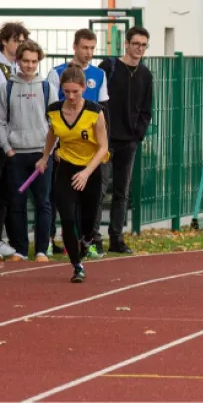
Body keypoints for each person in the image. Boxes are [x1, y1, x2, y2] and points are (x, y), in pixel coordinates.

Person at [36, 65, 109, 283]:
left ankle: (86, 240)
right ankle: (77, 266)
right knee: (67, 218)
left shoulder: (95, 112)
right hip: (66, 166)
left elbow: (103, 147)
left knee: (87, 221)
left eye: (75, 92)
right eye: (66, 91)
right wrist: (45, 156)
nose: (70, 96)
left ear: (84, 88)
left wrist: (87, 172)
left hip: (90, 168)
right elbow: (52, 133)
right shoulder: (55, 111)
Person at [46, 28, 109, 257]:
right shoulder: (56, 73)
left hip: (91, 148)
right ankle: (54, 240)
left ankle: (88, 238)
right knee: (61, 202)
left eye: (92, 48)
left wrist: (103, 145)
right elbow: (52, 122)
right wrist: (49, 152)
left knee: (91, 203)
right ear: (75, 47)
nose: (89, 52)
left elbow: (104, 109)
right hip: (67, 149)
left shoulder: (99, 75)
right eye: (84, 47)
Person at [0, 40, 57, 262]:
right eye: (25, 61)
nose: (30, 65)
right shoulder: (6, 87)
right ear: (18, 61)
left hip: (41, 155)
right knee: (17, 204)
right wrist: (8, 150)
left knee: (43, 203)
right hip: (16, 156)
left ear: (39, 61)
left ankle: (41, 249)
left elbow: (55, 125)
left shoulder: (48, 88)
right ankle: (20, 249)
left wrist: (47, 154)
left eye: (34, 61)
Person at [98, 27, 153, 254]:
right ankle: (93, 237)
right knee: (99, 190)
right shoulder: (108, 67)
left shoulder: (145, 74)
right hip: (105, 140)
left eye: (144, 45)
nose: (139, 48)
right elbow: (97, 101)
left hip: (129, 141)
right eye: (136, 43)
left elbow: (146, 109)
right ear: (127, 44)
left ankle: (116, 237)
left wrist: (137, 135)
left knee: (122, 192)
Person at [0, 22, 29, 261]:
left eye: (23, 41)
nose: (20, 45)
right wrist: (4, 104)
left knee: (4, 192)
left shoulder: (15, 68)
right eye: (17, 41)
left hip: (10, 139)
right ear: (5, 41)